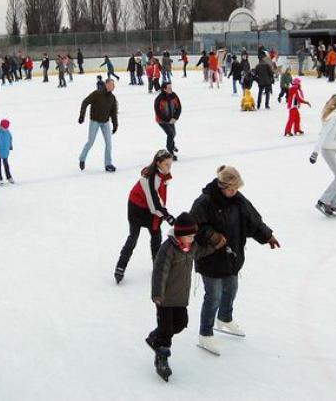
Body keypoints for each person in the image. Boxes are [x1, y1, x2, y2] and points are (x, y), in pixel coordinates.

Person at [189, 166, 280, 355]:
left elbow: (253, 221)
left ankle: (224, 318)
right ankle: (205, 333)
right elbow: (193, 226)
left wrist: (267, 236)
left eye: (237, 189)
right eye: (232, 189)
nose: (235, 192)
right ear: (222, 186)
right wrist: (213, 236)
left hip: (232, 255)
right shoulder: (205, 201)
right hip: (210, 258)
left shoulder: (238, 201)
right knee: (213, 296)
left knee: (231, 288)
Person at [146, 212, 225, 381]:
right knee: (167, 330)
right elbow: (160, 273)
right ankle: (162, 358)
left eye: (193, 235)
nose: (192, 238)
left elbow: (201, 252)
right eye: (189, 236)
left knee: (181, 324)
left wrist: (215, 246)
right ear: (180, 235)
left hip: (181, 297)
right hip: (165, 299)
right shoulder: (168, 249)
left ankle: (155, 337)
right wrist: (157, 294)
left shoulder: (192, 246)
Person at [114, 149, 176, 284]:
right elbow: (154, 204)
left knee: (156, 236)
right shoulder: (148, 178)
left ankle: (157, 265)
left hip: (152, 209)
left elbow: (159, 199)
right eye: (166, 164)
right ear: (158, 163)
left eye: (170, 165)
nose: (169, 168)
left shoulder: (162, 176)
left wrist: (165, 214)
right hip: (137, 208)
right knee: (133, 238)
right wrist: (168, 217)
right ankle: (120, 266)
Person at [78, 78, 118, 172]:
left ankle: (108, 164)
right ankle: (82, 158)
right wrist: (82, 116)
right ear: (107, 84)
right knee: (90, 142)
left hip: (105, 122)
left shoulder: (112, 98)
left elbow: (114, 113)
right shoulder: (97, 94)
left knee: (109, 143)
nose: (114, 86)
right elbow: (85, 102)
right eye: (112, 84)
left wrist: (115, 125)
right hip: (95, 121)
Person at [154, 82, 182, 159]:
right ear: (164, 89)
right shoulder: (159, 99)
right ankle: (170, 151)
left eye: (171, 87)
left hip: (171, 119)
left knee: (173, 133)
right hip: (162, 121)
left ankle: (172, 146)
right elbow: (158, 112)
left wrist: (175, 118)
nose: (171, 89)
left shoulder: (174, 95)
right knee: (170, 134)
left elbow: (179, 107)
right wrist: (167, 120)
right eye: (169, 88)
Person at [0, 119, 14, 184]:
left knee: (6, 165)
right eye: (4, 127)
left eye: (6, 128)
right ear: (1, 126)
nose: (5, 129)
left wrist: (10, 146)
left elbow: (10, 139)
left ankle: (9, 177)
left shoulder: (8, 133)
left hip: (5, 151)